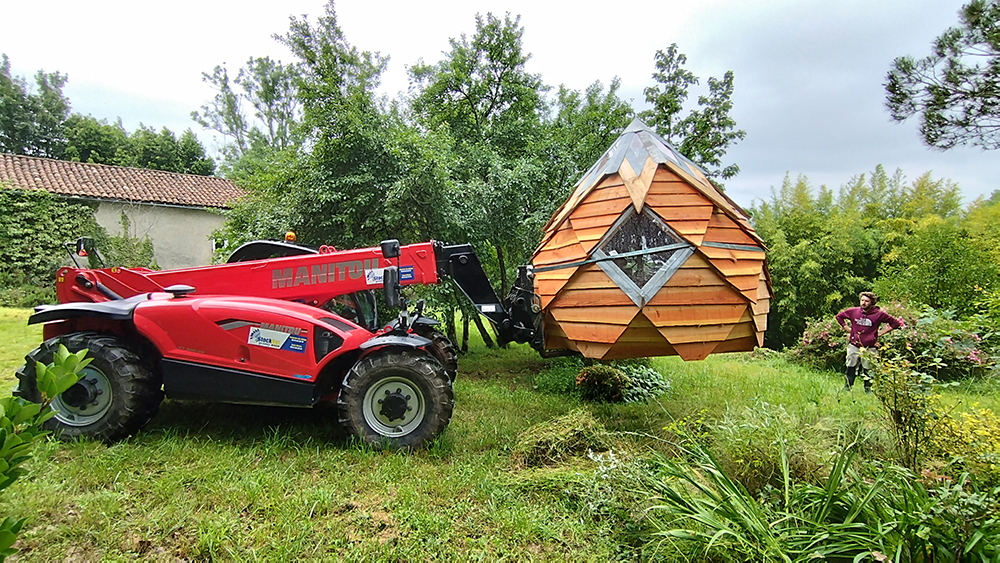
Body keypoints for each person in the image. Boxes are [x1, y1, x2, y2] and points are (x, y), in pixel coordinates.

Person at [835, 292, 902, 393]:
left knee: (868, 369)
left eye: (866, 301)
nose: (863, 303)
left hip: (870, 346)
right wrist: (848, 329)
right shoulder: (854, 311)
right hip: (855, 344)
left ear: (872, 302)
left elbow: (896, 323)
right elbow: (839, 317)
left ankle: (868, 390)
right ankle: (847, 387)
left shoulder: (879, 314)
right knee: (850, 366)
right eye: (862, 300)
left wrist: (880, 333)